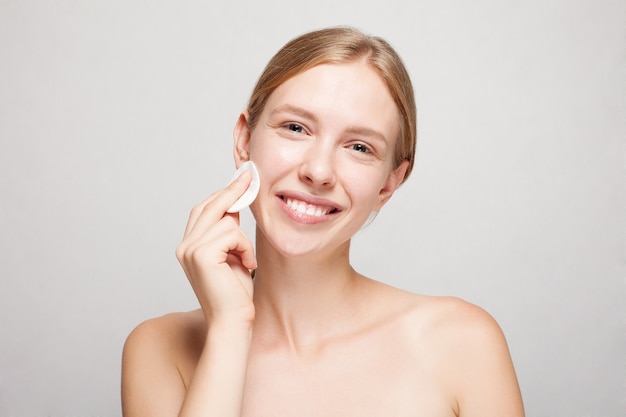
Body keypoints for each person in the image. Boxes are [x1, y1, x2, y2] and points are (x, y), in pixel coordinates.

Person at [121, 26, 525, 417]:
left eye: (359, 147)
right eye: (295, 128)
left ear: (389, 183)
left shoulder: (461, 343)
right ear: (244, 141)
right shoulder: (159, 349)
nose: (318, 171)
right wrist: (229, 329)